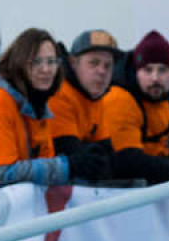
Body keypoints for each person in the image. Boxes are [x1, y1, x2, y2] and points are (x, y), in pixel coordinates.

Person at [0, 28, 111, 214]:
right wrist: (69, 166)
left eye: (51, 61)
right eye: (36, 62)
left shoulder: (37, 108)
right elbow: (4, 173)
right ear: (19, 64)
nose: (46, 69)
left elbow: (43, 173)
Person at [104, 30, 169, 193]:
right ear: (136, 71)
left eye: (163, 70)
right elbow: (128, 162)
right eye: (148, 70)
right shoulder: (120, 98)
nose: (155, 78)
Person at [48, 29, 118, 160]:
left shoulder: (95, 97)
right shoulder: (59, 93)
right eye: (94, 63)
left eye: (108, 65)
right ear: (73, 63)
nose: (102, 71)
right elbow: (70, 154)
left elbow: (109, 156)